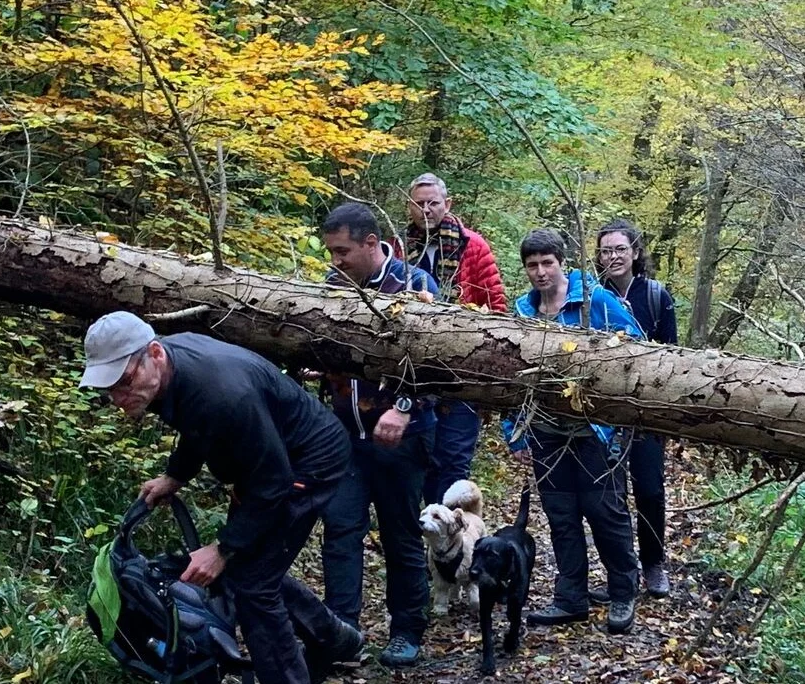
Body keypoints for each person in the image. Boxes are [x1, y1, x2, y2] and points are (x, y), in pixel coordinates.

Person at [79, 311, 363, 684]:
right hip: (265, 464)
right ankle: (335, 639)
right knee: (250, 569)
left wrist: (223, 548)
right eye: (108, 388)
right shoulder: (174, 373)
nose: (117, 398)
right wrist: (175, 475)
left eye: (124, 381)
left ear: (154, 353)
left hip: (306, 464)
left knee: (253, 585)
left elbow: (273, 482)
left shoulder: (223, 392)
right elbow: (198, 426)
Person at [501, 228, 642, 635]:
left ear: (562, 263)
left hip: (594, 432)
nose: (541, 272)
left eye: (548, 263)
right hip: (547, 433)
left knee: (605, 512)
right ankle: (570, 598)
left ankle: (622, 592)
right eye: (532, 265)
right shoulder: (523, 311)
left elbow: (635, 349)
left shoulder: (594, 299)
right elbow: (512, 376)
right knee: (561, 516)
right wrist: (516, 431)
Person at [317, 202, 438, 668]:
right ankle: (341, 634)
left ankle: (407, 629)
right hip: (344, 437)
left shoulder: (414, 285)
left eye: (343, 251)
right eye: (331, 252)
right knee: (341, 529)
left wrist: (404, 407)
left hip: (401, 438)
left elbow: (440, 361)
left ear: (372, 244)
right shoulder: (333, 287)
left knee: (400, 533)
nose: (336, 261)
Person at [394, 172, 506, 504]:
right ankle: (426, 532)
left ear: (448, 204)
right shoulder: (398, 248)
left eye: (433, 203)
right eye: (419, 203)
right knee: (422, 459)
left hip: (462, 373)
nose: (426, 210)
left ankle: (457, 536)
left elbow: (496, 307)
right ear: (408, 206)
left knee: (454, 461)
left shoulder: (472, 245)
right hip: (414, 374)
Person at [594, 218, 679, 600]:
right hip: (605, 413)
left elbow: (674, 356)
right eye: (606, 250)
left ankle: (654, 562)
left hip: (646, 412)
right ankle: (619, 568)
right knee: (609, 494)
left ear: (635, 252)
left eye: (620, 249)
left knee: (649, 490)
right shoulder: (592, 295)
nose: (613, 256)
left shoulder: (657, 296)